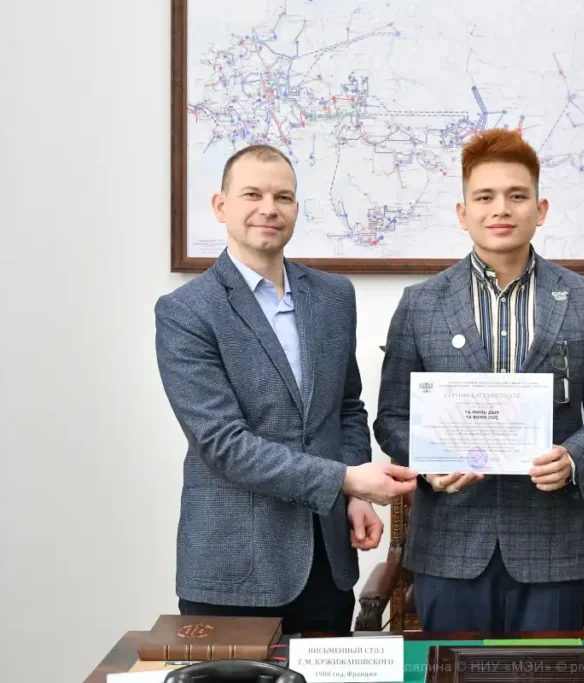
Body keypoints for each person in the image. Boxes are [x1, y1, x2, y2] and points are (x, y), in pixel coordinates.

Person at [373, 128, 584, 633]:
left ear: (541, 208)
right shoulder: (421, 303)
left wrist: (575, 458)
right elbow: (392, 418)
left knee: (551, 670)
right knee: (451, 668)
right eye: (485, 197)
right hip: (449, 545)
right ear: (462, 212)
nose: (501, 209)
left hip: (555, 545)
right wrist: (430, 463)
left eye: (517, 196)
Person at [154, 144, 418, 634]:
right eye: (252, 194)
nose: (268, 209)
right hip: (233, 569)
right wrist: (346, 480)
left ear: (296, 208)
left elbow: (347, 408)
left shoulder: (334, 296)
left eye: (283, 197)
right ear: (221, 206)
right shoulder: (186, 311)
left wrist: (355, 498)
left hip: (327, 560)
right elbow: (223, 445)